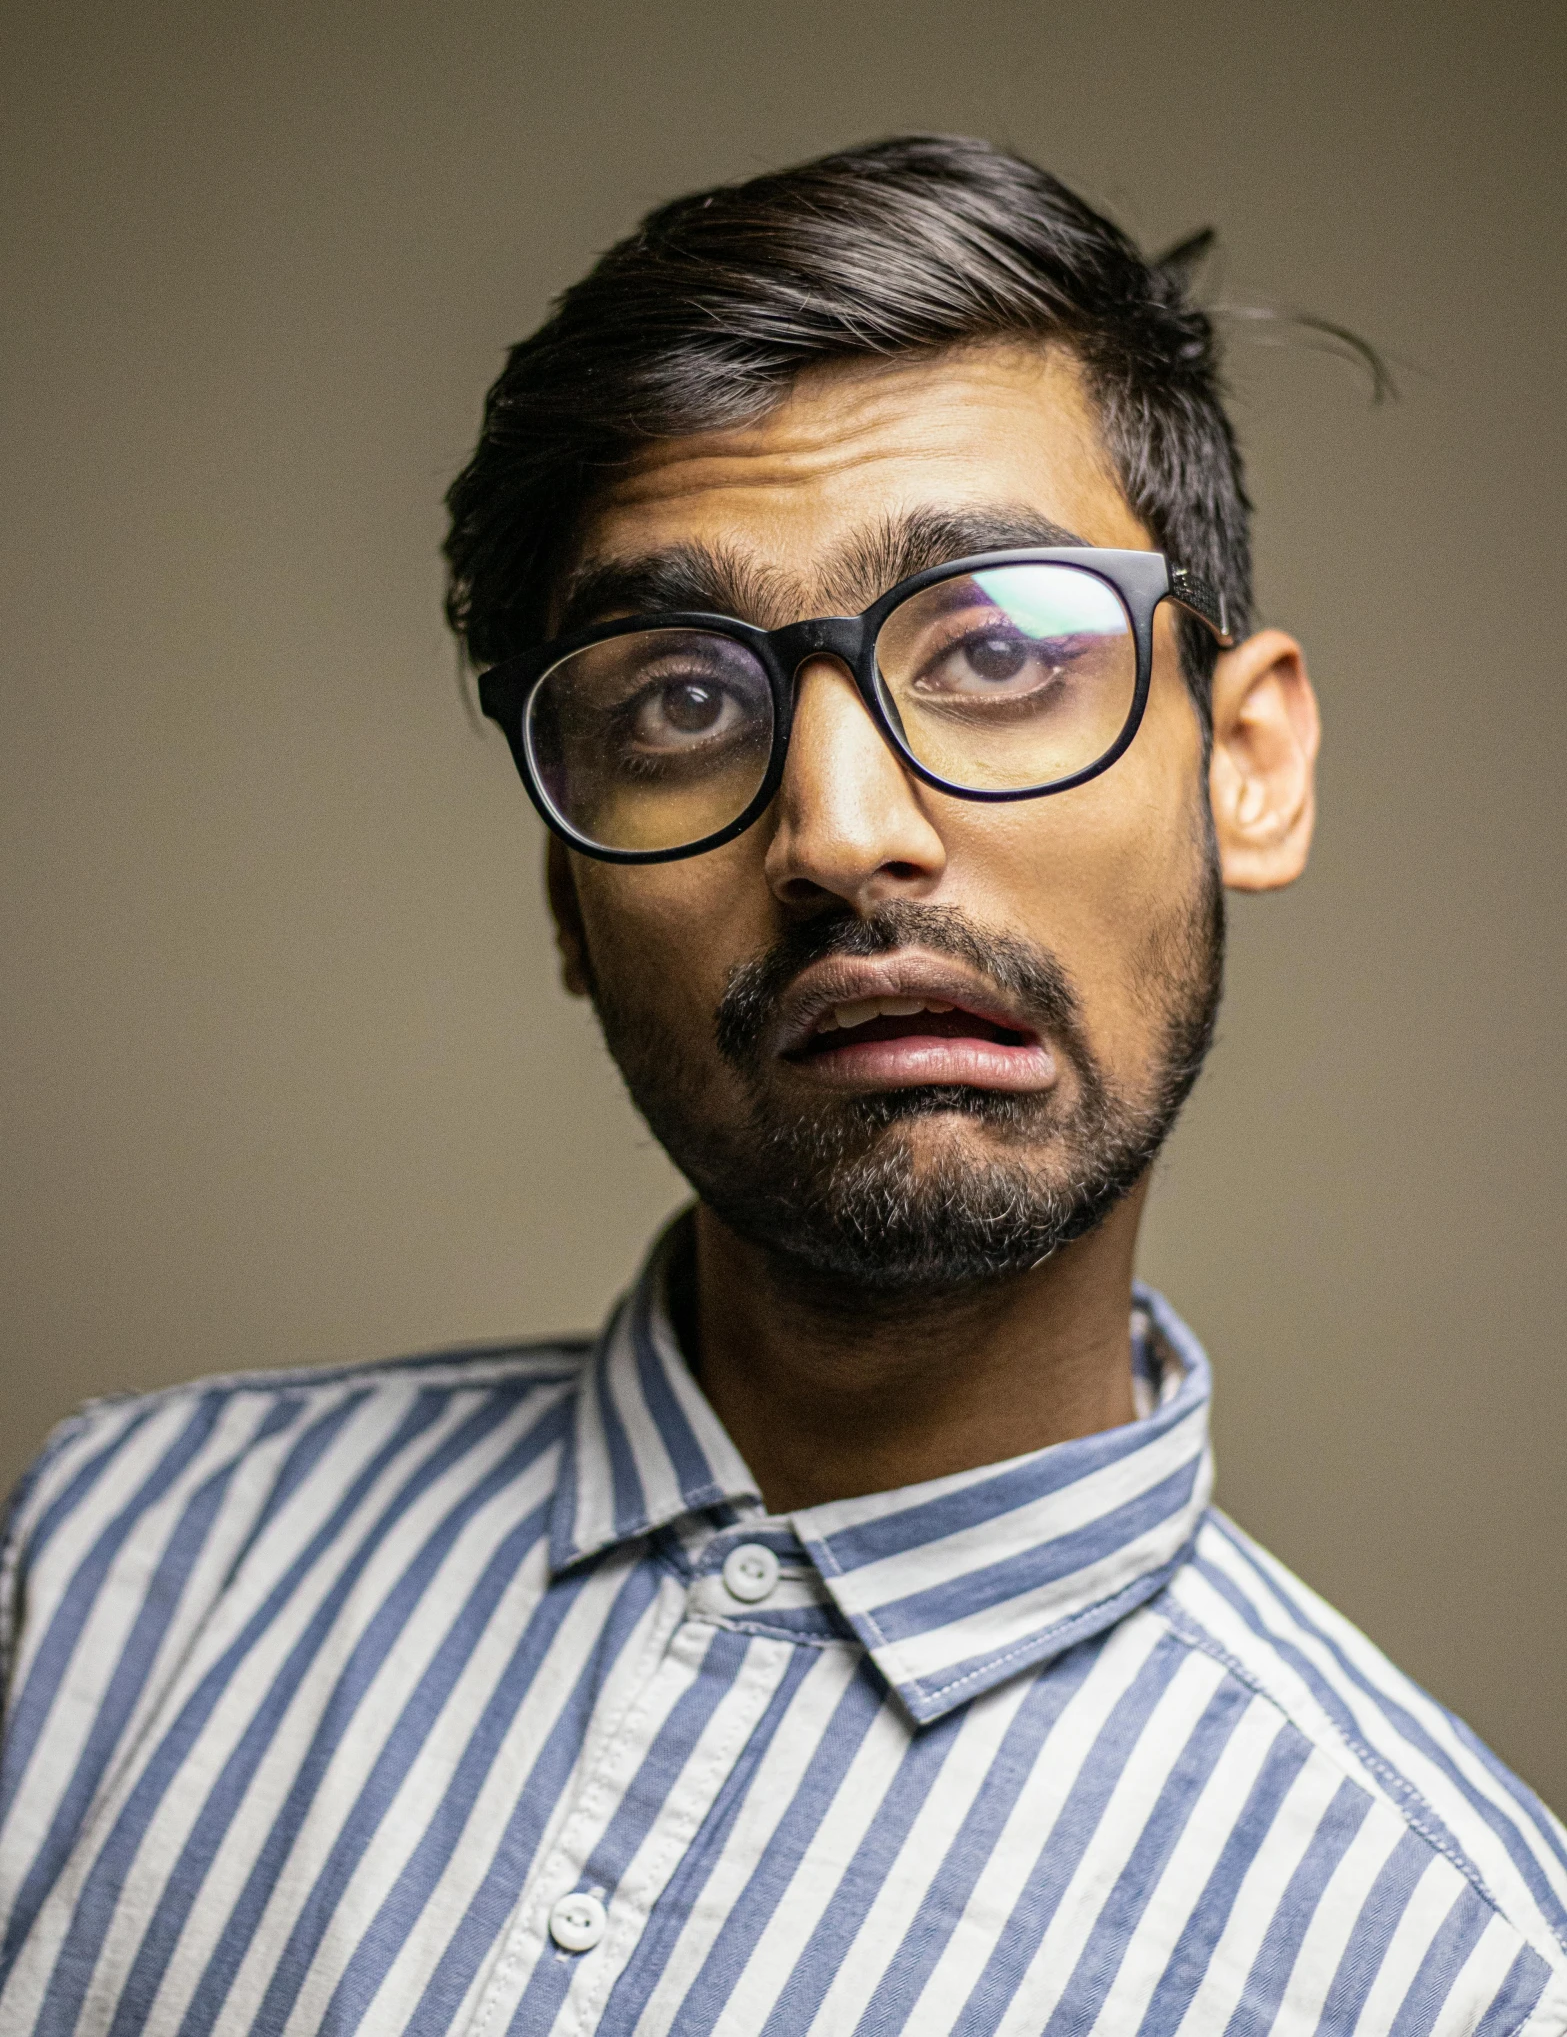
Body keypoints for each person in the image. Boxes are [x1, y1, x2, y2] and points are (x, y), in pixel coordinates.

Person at [1, 139, 1562, 2037]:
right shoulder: (108, 1568)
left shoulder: (1446, 1967)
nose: (839, 832)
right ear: (567, 891)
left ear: (1247, 763)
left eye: (996, 647)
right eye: (675, 701)